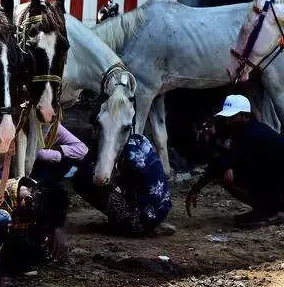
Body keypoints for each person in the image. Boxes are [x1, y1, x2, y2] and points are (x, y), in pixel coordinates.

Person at [186, 94, 284, 225]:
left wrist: (197, 187)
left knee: (231, 174)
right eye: (226, 118)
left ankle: (270, 211)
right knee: (229, 173)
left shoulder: (254, 135)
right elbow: (220, 161)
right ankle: (266, 209)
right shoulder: (240, 131)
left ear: (246, 116)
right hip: (274, 181)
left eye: (232, 117)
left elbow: (224, 164)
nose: (228, 121)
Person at [73, 133, 173, 236]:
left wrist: (93, 152)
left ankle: (127, 225)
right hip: (160, 211)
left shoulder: (125, 154)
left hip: (138, 221)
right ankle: (147, 223)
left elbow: (91, 174)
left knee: (83, 180)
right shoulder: (139, 140)